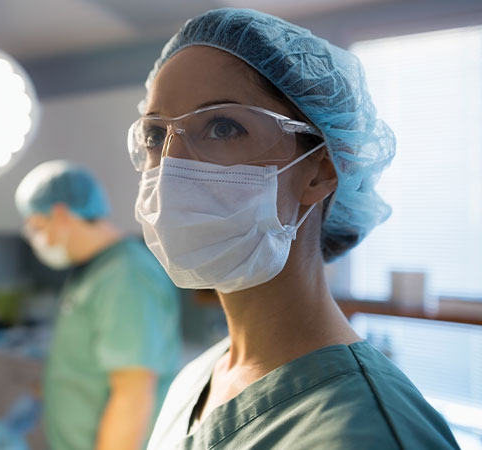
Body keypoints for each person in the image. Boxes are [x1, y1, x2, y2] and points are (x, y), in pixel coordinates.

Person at [129, 8, 461, 450]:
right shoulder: (196, 380)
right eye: (155, 135)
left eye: (222, 126)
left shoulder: (368, 431)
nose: (171, 168)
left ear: (321, 170)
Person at [15, 160, 182, 450]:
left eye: (37, 227)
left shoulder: (126, 275)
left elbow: (132, 396)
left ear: (60, 213)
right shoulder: (94, 269)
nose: (36, 240)